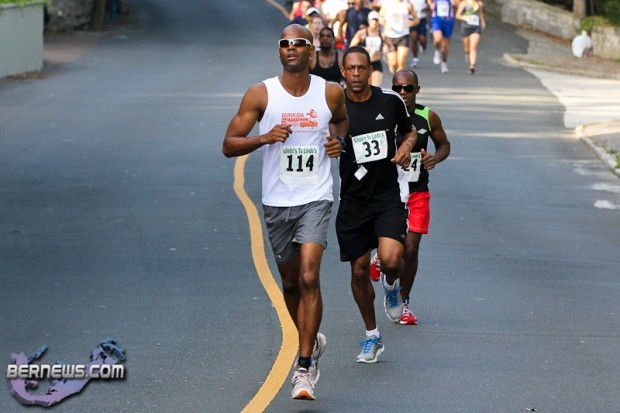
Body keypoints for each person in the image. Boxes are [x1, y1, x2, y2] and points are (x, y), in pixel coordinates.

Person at [222, 24, 348, 400]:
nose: (291, 48)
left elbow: (342, 121)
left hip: (316, 195)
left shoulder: (330, 92)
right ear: (279, 51)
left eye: (299, 43)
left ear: (311, 51)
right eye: (285, 43)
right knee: (290, 284)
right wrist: (264, 137)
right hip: (277, 201)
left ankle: (303, 367)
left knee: (309, 277)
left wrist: (338, 141)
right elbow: (228, 144)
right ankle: (311, 339)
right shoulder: (261, 93)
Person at [336, 46, 417, 363]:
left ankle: (391, 283)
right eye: (351, 68)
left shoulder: (390, 101)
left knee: (392, 259)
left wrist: (407, 146)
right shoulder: (334, 105)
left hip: (387, 196)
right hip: (353, 199)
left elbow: (409, 131)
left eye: (362, 68)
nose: (356, 74)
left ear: (371, 70)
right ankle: (372, 336)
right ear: (343, 72)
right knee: (358, 272)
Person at [388, 69, 450, 324]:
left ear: (417, 90)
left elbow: (444, 144)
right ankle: (381, 260)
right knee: (392, 248)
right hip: (388, 192)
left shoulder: (428, 116)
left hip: (417, 191)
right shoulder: (385, 114)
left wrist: (434, 158)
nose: (403, 92)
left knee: (411, 248)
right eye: (398, 88)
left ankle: (403, 302)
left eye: (408, 88)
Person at [349, 10, 394, 87]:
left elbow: (391, 47)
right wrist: (363, 48)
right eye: (373, 20)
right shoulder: (362, 33)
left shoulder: (382, 34)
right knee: (365, 87)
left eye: (376, 20)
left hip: (376, 63)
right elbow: (351, 47)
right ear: (369, 21)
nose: (374, 22)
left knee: (375, 87)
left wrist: (387, 50)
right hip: (363, 64)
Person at [379, 0, 419, 73]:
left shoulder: (408, 5)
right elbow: (380, 17)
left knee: (401, 61)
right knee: (393, 64)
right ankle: (390, 62)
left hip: (403, 35)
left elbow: (417, 19)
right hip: (390, 36)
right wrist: (385, 25)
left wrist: (412, 22)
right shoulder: (387, 4)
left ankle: (401, 78)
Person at [455, 0, 486, 74]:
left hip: (476, 27)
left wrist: (482, 21)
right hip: (466, 27)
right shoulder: (464, 3)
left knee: (473, 47)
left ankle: (472, 66)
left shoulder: (479, 4)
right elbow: (457, 15)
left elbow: (480, 13)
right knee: (467, 47)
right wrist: (464, 17)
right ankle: (467, 53)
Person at [428, 0, 458, 73]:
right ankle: (437, 50)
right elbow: (429, 2)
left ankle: (444, 62)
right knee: (437, 39)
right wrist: (430, 4)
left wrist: (455, 3)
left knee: (445, 46)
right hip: (437, 19)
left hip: (448, 20)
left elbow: (457, 3)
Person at [409, 0, 430, 67]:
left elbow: (430, 6)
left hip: (422, 19)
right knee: (414, 38)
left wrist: (426, 8)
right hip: (412, 19)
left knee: (422, 38)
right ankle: (415, 59)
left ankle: (423, 45)